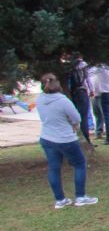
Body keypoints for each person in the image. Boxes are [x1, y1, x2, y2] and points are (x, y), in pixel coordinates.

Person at [36, 74, 98, 209]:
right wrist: (71, 123)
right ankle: (80, 197)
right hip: (65, 138)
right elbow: (77, 118)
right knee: (80, 163)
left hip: (47, 137)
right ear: (57, 84)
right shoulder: (63, 100)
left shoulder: (40, 99)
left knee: (54, 168)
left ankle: (60, 200)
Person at [67, 57, 93, 146]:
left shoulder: (67, 65)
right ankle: (86, 139)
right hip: (81, 91)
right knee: (83, 117)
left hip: (72, 92)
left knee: (73, 117)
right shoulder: (83, 64)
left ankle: (76, 138)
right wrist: (91, 89)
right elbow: (88, 79)